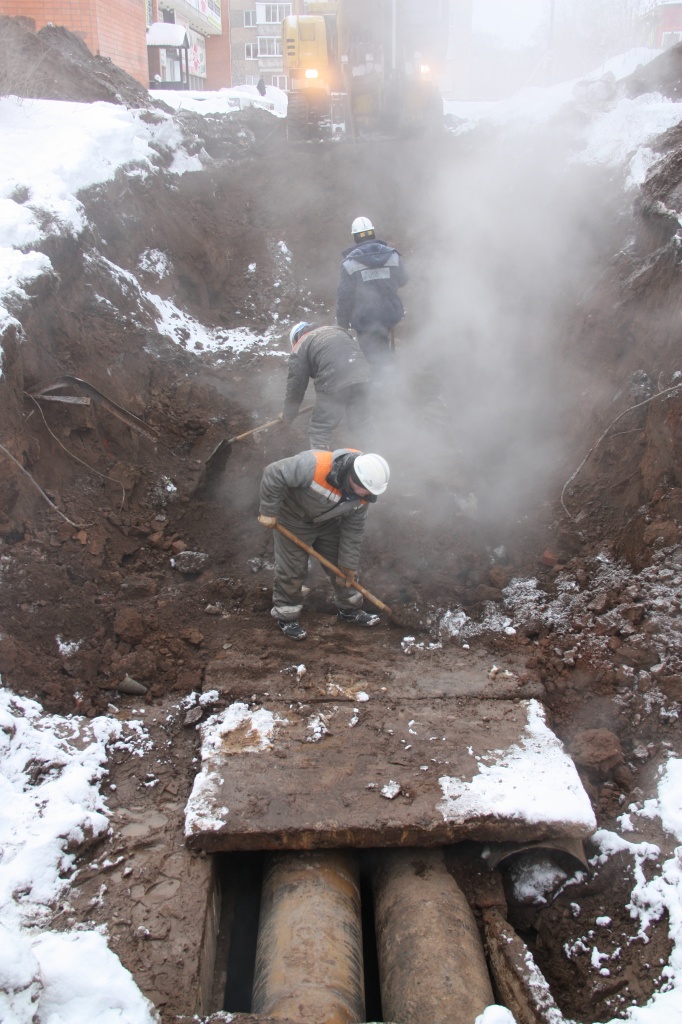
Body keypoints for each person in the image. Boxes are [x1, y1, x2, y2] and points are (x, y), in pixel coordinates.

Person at [258, 448, 390, 640]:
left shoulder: (363, 496)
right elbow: (273, 472)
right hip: (293, 520)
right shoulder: (314, 466)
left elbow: (353, 532)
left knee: (342, 569)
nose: (369, 494)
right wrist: (268, 511)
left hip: (328, 523)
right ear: (354, 477)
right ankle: (286, 616)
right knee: (292, 569)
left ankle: (349, 610)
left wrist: (348, 564)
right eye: (367, 489)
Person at [282, 321, 373, 451]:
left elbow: (296, 384)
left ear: (296, 338)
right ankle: (373, 462)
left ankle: (321, 467)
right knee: (362, 425)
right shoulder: (337, 330)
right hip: (363, 377)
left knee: (320, 428)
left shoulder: (301, 344)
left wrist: (288, 414)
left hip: (333, 379)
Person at [336, 216, 408, 375]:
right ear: (373, 233)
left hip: (365, 317)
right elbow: (404, 279)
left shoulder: (349, 263)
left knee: (372, 354)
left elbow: (345, 295)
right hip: (389, 314)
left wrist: (342, 321)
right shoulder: (393, 256)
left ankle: (383, 386)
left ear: (355, 236)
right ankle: (389, 381)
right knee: (383, 346)